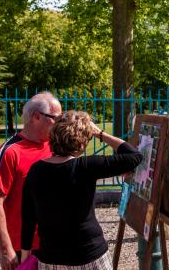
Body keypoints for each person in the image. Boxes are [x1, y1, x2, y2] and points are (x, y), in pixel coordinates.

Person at [20, 110, 143, 269]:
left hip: (51, 257)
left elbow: (28, 217)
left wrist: (25, 256)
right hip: (88, 253)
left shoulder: (36, 170)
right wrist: (100, 133)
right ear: (81, 141)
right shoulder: (86, 166)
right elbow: (135, 156)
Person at [0, 91, 62, 270]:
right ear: (36, 116)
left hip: (55, 243)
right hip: (25, 249)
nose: (60, 124)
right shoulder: (9, 153)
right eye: (56, 118)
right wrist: (5, 250)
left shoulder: (55, 146)